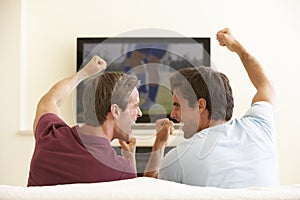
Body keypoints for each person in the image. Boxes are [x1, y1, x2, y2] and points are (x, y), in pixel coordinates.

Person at [144, 28, 279, 188]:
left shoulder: (180, 158)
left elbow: (149, 190)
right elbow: (265, 84)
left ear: (200, 105)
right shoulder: (260, 126)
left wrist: (159, 144)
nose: (173, 114)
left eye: (178, 105)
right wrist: (236, 47)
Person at [27, 55, 142, 186]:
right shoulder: (121, 171)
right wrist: (129, 160)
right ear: (115, 111)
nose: (139, 113)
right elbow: (133, 192)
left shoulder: (49, 136)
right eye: (135, 106)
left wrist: (84, 73)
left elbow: (49, 100)